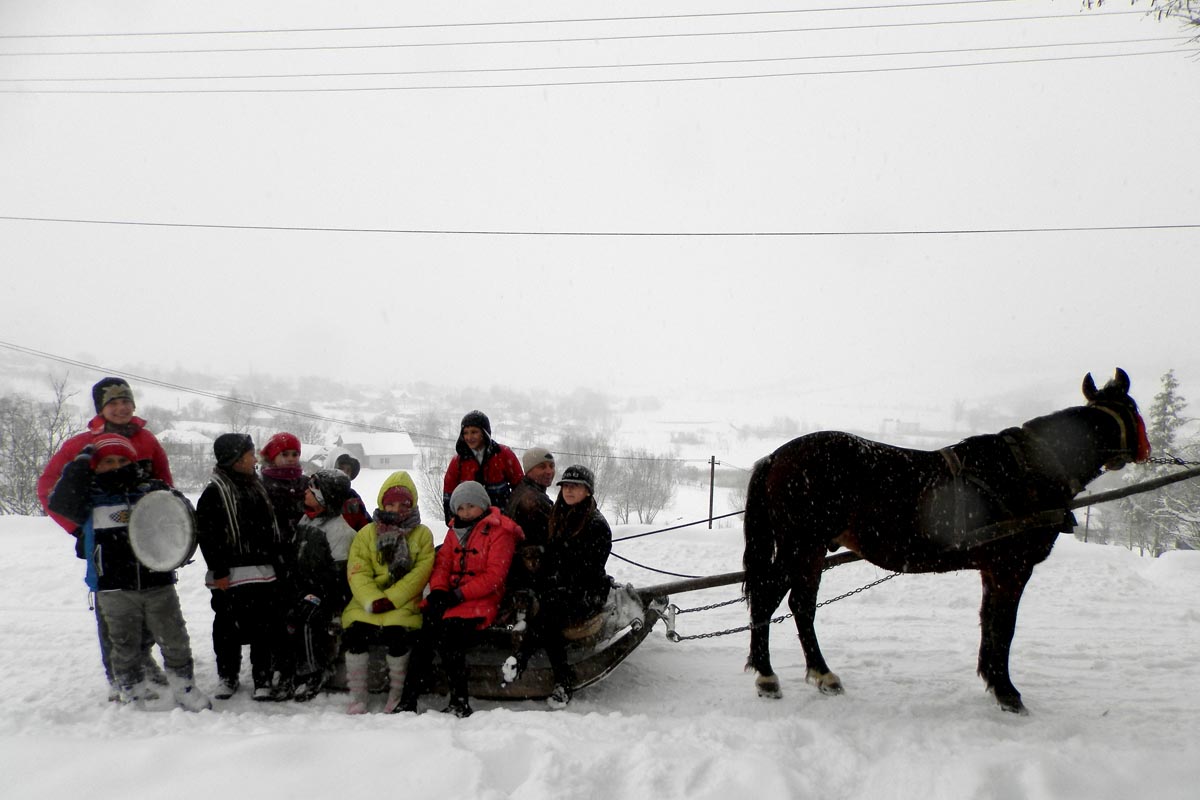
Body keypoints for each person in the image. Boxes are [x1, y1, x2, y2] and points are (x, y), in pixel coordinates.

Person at [48, 434, 210, 711]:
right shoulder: (90, 496)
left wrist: (176, 551)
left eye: (122, 460)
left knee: (174, 638)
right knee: (123, 644)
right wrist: (80, 463)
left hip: (157, 580)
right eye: (107, 461)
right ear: (96, 466)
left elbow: (182, 517)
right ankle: (131, 689)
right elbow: (59, 503)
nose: (115, 465)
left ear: (133, 461)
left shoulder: (152, 489)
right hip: (113, 586)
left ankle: (184, 686)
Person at [37, 376, 172, 699]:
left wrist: (167, 529)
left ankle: (142, 657)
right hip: (105, 544)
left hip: (146, 540)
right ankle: (118, 674)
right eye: (113, 403)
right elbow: (48, 490)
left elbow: (166, 485)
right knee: (113, 611)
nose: (122, 407)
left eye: (127, 401)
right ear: (101, 408)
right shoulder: (80, 445)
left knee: (150, 602)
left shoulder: (148, 441)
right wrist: (79, 529)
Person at [398, 481, 523, 717]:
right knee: (423, 635)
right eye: (461, 507)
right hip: (451, 597)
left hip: (481, 599)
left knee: (449, 637)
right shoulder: (455, 530)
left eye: (471, 506)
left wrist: (459, 594)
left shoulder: (500, 531)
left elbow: (494, 576)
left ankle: (459, 700)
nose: (466, 512)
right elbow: (443, 564)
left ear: (483, 505)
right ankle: (409, 697)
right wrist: (438, 590)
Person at [501, 464, 612, 709]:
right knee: (528, 597)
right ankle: (519, 654)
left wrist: (555, 584)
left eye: (576, 487)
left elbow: (588, 571)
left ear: (588, 491)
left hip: (586, 591)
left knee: (549, 614)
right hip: (559, 584)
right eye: (566, 486)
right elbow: (551, 556)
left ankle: (558, 676)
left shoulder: (596, 525)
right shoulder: (559, 515)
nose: (569, 491)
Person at [195, 433, 289, 701]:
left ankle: (262, 677)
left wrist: (276, 561)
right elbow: (208, 536)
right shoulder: (214, 493)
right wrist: (219, 570)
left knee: (264, 627)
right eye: (249, 454)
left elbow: (269, 530)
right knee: (227, 627)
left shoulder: (256, 486)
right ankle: (228, 675)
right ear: (235, 460)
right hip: (229, 575)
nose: (255, 458)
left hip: (262, 572)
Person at [341, 471, 435, 714]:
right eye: (391, 503)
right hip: (367, 602)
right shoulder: (367, 533)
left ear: (412, 504)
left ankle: (396, 692)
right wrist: (372, 599)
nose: (396, 509)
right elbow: (358, 570)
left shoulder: (422, 534)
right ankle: (358, 695)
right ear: (382, 503)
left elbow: (420, 573)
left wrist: (392, 599)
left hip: (403, 603)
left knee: (398, 636)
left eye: (404, 504)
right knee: (355, 635)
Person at [279, 469, 357, 700]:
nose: (305, 492)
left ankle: (314, 671)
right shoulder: (307, 519)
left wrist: (316, 595)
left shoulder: (340, 531)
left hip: (328, 594)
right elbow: (296, 557)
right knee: (278, 613)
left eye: (312, 491)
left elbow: (339, 577)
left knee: (306, 618)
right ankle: (287, 670)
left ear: (325, 498)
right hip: (304, 588)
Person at [441, 410, 524, 524]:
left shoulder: (503, 454)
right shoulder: (458, 462)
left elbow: (519, 486)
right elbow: (449, 493)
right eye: (465, 433)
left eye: (474, 432)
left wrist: (514, 514)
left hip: (501, 519)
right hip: (470, 522)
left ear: (484, 433)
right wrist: (451, 520)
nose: (469, 437)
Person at [503, 446, 556, 608]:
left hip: (521, 570)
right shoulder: (532, 500)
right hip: (530, 573)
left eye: (551, 466)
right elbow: (555, 536)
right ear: (529, 470)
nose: (549, 471)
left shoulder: (524, 490)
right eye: (542, 466)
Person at [259, 431, 307, 546]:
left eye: (295, 454)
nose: (291, 459)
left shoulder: (306, 482)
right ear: (272, 456)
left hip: (302, 545)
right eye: (284, 454)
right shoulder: (261, 483)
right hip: (271, 546)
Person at [334, 453, 371, 531]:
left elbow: (366, 527)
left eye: (348, 471)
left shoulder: (354, 499)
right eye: (341, 468)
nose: (343, 473)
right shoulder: (319, 492)